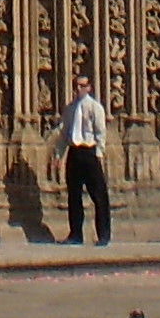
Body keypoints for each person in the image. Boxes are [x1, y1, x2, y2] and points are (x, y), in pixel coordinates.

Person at [52, 75, 111, 246]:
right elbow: (64, 134)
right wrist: (59, 155)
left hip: (89, 151)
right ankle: (76, 234)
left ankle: (104, 234)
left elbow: (100, 132)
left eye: (82, 85)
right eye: (76, 85)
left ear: (89, 87)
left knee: (99, 194)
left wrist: (98, 154)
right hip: (74, 152)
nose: (79, 89)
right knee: (74, 195)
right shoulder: (70, 109)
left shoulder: (95, 107)